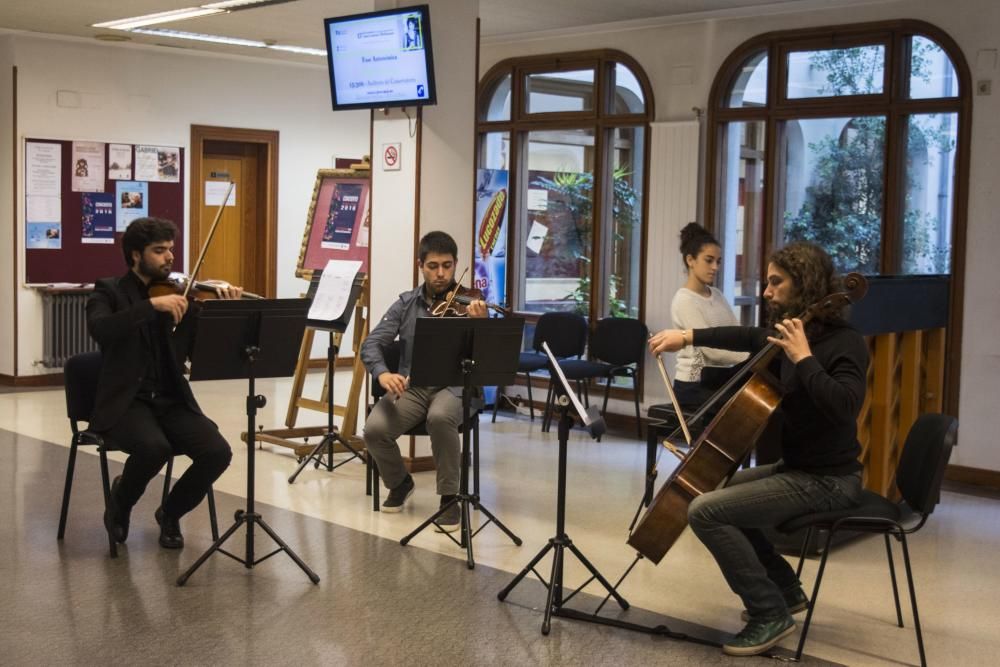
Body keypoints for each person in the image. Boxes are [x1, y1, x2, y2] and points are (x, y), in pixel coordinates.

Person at [648, 241, 868, 657]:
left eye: (775, 282)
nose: (766, 291)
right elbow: (745, 335)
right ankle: (785, 590)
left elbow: (845, 407)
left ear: (804, 284)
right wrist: (686, 336)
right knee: (717, 490)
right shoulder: (791, 332)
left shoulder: (845, 342)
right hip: (798, 467)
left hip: (830, 480)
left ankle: (768, 613)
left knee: (706, 511)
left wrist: (804, 359)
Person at [86, 217, 240, 549]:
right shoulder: (109, 290)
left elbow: (201, 353)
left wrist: (222, 311)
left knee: (217, 452)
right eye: (159, 251)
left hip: (170, 399)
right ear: (135, 255)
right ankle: (120, 504)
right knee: (154, 448)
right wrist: (150, 306)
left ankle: (170, 513)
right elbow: (101, 329)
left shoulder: (182, 294)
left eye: (170, 249)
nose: (169, 257)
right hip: (128, 401)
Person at [361, 231, 487, 532]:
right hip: (414, 386)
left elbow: (486, 356)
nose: (441, 273)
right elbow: (372, 343)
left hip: (455, 386)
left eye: (447, 265)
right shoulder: (405, 304)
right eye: (433, 266)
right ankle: (400, 482)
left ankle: (448, 497)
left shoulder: (470, 302)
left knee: (440, 416)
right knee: (374, 430)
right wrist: (383, 373)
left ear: (456, 264)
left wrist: (480, 326)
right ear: (421, 266)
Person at [670, 223, 748, 408]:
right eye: (709, 260)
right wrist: (751, 358)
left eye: (718, 261)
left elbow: (737, 334)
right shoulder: (684, 300)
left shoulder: (717, 295)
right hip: (693, 385)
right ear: (690, 260)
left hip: (717, 379)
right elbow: (710, 350)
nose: (715, 267)